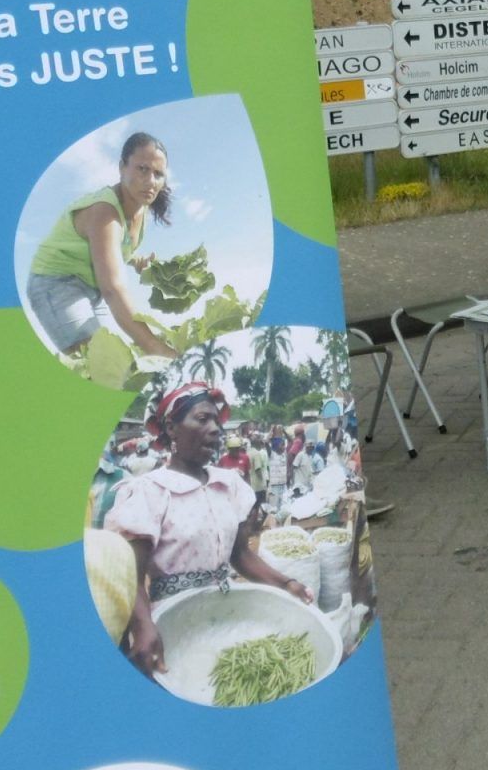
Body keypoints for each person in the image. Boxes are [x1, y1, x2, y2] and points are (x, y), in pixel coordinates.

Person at [105, 382, 312, 679]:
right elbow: (131, 577)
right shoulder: (149, 492)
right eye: (202, 419)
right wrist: (143, 626)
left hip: (225, 613)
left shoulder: (228, 485)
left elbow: (240, 556)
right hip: (172, 621)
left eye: (216, 421)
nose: (215, 429)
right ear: (172, 428)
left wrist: (287, 583)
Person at [27, 132, 176, 361]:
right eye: (142, 169)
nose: (150, 181)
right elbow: (113, 289)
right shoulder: (104, 211)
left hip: (91, 290)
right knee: (102, 365)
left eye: (158, 174)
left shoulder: (140, 208)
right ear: (122, 167)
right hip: (55, 285)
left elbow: (117, 248)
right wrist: (157, 347)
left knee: (121, 360)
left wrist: (138, 261)